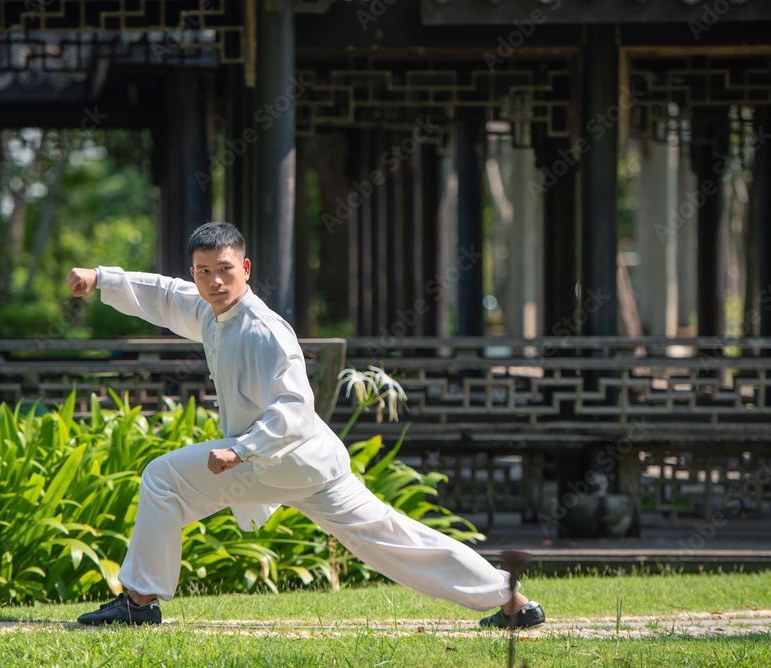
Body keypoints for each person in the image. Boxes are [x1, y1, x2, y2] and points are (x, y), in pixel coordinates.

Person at [65, 221, 546, 629]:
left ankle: (141, 604)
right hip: (311, 463)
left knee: (162, 479)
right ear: (195, 273)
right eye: (204, 272)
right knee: (389, 537)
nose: (214, 281)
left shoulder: (262, 329)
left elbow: (296, 404)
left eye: (224, 270)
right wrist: (101, 279)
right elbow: (165, 294)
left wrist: (244, 449)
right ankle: (511, 601)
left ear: (245, 269)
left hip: (273, 458)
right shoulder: (209, 311)